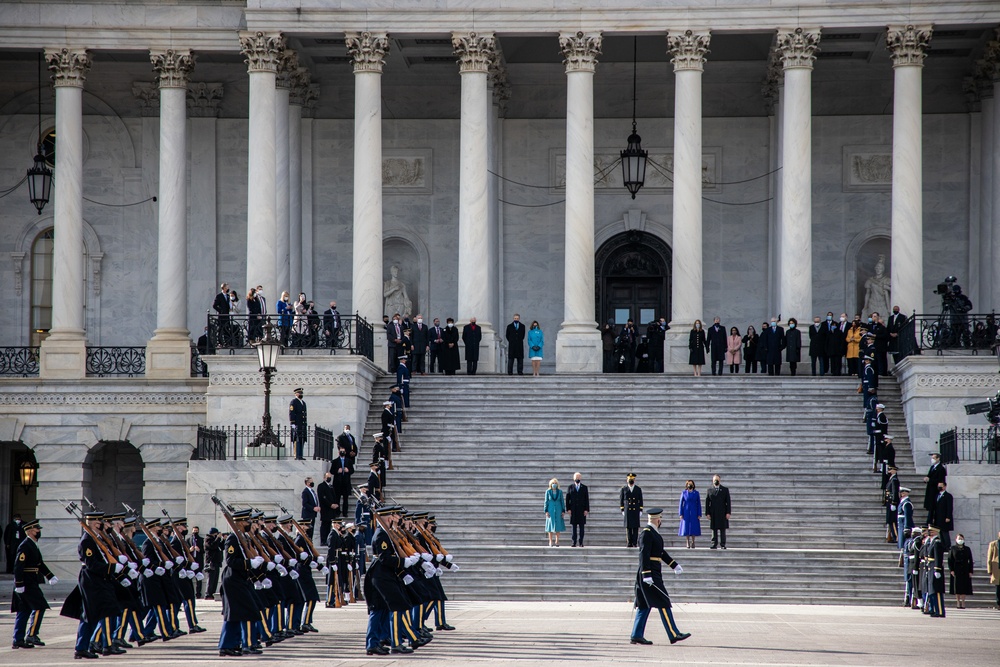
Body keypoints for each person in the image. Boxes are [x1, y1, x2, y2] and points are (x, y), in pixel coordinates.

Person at [629, 508, 690, 646]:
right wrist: (646, 574)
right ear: (657, 519)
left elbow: (660, 553)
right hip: (649, 574)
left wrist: (674, 565)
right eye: (660, 519)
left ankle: (636, 635)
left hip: (653, 573)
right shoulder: (647, 533)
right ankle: (673, 633)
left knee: (644, 605)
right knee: (663, 602)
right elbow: (643, 555)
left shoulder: (654, 534)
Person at [11, 518, 55, 649]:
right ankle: (31, 634)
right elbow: (18, 566)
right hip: (26, 582)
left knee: (24, 610)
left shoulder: (33, 544)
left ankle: (18, 639)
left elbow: (39, 564)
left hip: (31, 581)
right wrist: (19, 584)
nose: (39, 531)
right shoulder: (25, 545)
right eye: (37, 529)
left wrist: (50, 576)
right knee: (39, 606)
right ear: (30, 531)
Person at [925, 525, 946, 618]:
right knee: (932, 590)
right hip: (931, 567)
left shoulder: (937, 542)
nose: (929, 533)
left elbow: (938, 556)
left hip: (935, 567)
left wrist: (937, 569)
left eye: (931, 531)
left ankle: (940, 611)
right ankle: (934, 609)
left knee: (937, 591)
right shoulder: (931, 542)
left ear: (935, 532)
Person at [705, 474, 731, 550]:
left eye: (717, 480)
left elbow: (728, 502)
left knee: (723, 529)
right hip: (713, 512)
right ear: (712, 481)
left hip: (722, 512)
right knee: (714, 529)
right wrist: (707, 513)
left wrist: (728, 512)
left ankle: (723, 544)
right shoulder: (709, 490)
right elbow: (707, 502)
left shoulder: (725, 489)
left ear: (720, 480)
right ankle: (714, 543)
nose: (716, 481)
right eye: (714, 480)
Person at [948, 534, 974, 609]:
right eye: (959, 538)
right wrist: (951, 570)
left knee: (964, 587)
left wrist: (970, 571)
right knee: (957, 587)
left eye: (962, 538)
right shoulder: (953, 548)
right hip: (956, 569)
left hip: (965, 569)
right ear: (956, 539)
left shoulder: (967, 549)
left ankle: (963, 602)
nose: (960, 540)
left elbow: (970, 560)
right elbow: (950, 560)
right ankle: (958, 602)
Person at [565, 472, 590, 548]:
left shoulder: (584, 487)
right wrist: (568, 509)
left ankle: (581, 542)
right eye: (576, 477)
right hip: (573, 510)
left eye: (579, 477)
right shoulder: (570, 487)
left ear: (581, 478)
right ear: (574, 478)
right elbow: (567, 499)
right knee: (573, 528)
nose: (577, 478)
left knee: (582, 527)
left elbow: (587, 499)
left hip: (582, 510)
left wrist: (586, 509)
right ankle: (574, 542)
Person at [620, 473, 643, 548]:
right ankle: (629, 542)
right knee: (628, 527)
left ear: (634, 480)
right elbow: (621, 500)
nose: (631, 481)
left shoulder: (638, 489)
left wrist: (640, 510)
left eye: (632, 479)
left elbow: (641, 500)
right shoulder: (624, 489)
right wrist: (622, 509)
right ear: (627, 480)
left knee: (635, 527)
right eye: (629, 479)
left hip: (635, 509)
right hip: (627, 509)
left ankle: (634, 542)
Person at [923, 452, 947, 523]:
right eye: (932, 458)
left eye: (933, 458)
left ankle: (930, 521)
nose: (932, 459)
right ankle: (929, 521)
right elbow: (929, 476)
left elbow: (940, 480)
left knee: (933, 507)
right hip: (930, 489)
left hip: (935, 490)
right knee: (930, 507)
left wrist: (930, 480)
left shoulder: (941, 468)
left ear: (938, 459)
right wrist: (926, 479)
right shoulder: (932, 467)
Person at [331, 446, 354, 519]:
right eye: (341, 451)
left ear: (345, 452)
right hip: (337, 483)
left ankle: (345, 512)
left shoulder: (349, 461)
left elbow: (352, 470)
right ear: (338, 452)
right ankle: (337, 512)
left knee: (345, 499)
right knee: (337, 498)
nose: (342, 452)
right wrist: (337, 471)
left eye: (343, 451)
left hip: (346, 482)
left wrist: (348, 471)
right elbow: (331, 471)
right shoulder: (335, 461)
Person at [678, 480, 702, 549]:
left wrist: (699, 513)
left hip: (694, 511)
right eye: (689, 484)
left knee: (693, 526)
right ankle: (687, 541)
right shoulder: (684, 493)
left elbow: (699, 504)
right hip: (686, 512)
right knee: (687, 527)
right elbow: (681, 504)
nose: (690, 485)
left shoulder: (696, 493)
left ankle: (693, 541)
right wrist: (681, 513)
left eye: (691, 484)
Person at [931, 481, 954, 551]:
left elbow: (950, 507)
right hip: (938, 518)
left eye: (941, 486)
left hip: (944, 518)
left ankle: (947, 546)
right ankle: (943, 546)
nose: (939, 487)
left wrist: (948, 517)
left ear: (944, 486)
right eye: (938, 486)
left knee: (945, 532)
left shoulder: (948, 496)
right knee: (940, 532)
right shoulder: (937, 495)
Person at [544, 479, 565, 547]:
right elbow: (546, 501)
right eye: (553, 483)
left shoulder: (560, 492)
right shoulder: (548, 492)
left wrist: (563, 510)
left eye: (555, 483)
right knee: (550, 526)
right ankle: (550, 541)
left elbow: (562, 501)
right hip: (551, 509)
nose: (554, 484)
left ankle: (557, 540)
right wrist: (546, 511)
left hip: (558, 509)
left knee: (558, 525)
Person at [317, 472, 338, 545]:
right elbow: (322, 497)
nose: (329, 478)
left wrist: (335, 504)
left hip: (331, 510)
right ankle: (323, 541)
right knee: (324, 525)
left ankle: (328, 540)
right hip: (325, 509)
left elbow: (334, 496)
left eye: (330, 477)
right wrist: (330, 504)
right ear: (324, 478)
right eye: (327, 477)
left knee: (329, 525)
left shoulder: (331, 486)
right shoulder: (321, 486)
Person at [203, 528, 222, 601]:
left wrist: (222, 539)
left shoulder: (215, 539)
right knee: (211, 579)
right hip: (211, 562)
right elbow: (213, 546)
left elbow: (221, 547)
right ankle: (208, 594)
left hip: (216, 562)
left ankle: (212, 593)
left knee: (215, 579)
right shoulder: (208, 539)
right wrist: (218, 538)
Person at [289, 387, 307, 460]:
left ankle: (300, 455)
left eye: (301, 393)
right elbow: (291, 413)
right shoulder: (294, 402)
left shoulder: (303, 403)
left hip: (302, 425)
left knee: (302, 439)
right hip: (297, 424)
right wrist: (292, 423)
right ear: (296, 394)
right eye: (299, 393)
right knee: (296, 440)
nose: (301, 394)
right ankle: (296, 455)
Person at [189, 525, 205, 598]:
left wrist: (199, 550)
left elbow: (205, 550)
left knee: (199, 578)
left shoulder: (201, 540)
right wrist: (190, 550)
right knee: (190, 578)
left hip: (199, 561)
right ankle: (190, 593)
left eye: (196, 530)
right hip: (191, 561)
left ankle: (198, 594)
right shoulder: (188, 539)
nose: (195, 532)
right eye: (194, 530)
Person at [896, 487, 914, 551]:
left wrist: (906, 527)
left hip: (904, 525)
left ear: (903, 494)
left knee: (904, 544)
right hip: (901, 525)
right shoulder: (903, 502)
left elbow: (907, 516)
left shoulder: (906, 503)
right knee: (901, 544)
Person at [987, 530, 1000, 609]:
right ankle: (998, 603)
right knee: (998, 587)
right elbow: (989, 557)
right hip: (996, 568)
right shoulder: (993, 544)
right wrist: (989, 570)